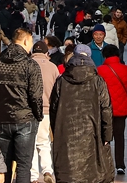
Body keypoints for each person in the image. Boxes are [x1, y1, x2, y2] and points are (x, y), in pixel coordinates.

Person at [48, 49, 112, 183]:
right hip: (92, 135)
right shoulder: (98, 81)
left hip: (67, 137)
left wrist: (56, 131)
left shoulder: (61, 81)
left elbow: (53, 109)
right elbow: (106, 109)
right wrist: (107, 136)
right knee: (93, 174)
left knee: (68, 174)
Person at [0, 29, 43, 183]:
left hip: (2, 118)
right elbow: (35, 95)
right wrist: (38, 116)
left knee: (3, 164)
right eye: (31, 42)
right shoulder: (30, 65)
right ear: (25, 41)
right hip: (25, 119)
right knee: (24, 165)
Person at [96, 45, 127, 175]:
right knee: (119, 137)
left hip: (104, 108)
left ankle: (104, 164)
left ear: (105, 55)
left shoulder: (100, 70)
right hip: (121, 109)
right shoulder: (126, 69)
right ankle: (120, 165)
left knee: (104, 136)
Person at [29, 42, 60, 183]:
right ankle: (47, 170)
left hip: (29, 111)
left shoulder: (27, 64)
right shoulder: (53, 67)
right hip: (46, 110)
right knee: (44, 142)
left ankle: (33, 177)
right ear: (47, 53)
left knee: (31, 144)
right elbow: (58, 90)